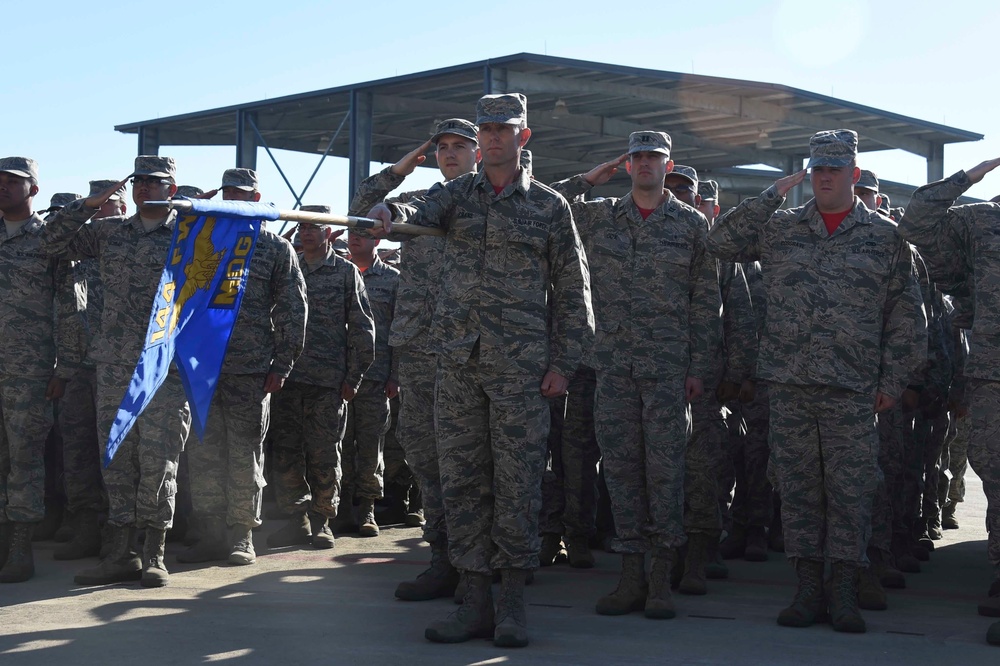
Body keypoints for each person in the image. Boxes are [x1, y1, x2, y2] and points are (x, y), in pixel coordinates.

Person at [368, 92, 594, 648]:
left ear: (524, 136)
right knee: (464, 483)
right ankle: (472, 601)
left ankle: (512, 603)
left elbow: (573, 290)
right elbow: (407, 220)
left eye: (503, 128)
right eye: (486, 128)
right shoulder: (454, 198)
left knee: (517, 484)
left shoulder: (547, 206)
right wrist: (385, 215)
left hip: (520, 370)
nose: (493, 137)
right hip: (458, 365)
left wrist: (564, 363)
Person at [705, 130, 925, 633]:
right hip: (790, 384)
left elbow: (906, 318)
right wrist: (770, 194)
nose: (825, 176)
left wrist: (891, 380)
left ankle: (844, 590)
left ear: (854, 173)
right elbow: (719, 241)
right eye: (817, 168)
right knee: (800, 491)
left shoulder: (885, 237)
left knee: (850, 492)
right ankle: (807, 590)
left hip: (852, 389)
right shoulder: (780, 230)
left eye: (835, 167)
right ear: (809, 173)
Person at [550, 132, 721, 618]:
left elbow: (705, 303)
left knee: (666, 475)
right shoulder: (600, 215)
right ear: (628, 165)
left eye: (654, 157)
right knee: (622, 473)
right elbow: (545, 202)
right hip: (613, 369)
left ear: (670, 164)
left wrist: (699, 369)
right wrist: (591, 176)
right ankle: (629, 577)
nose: (646, 164)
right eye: (637, 157)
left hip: (668, 372)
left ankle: (661, 577)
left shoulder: (691, 225)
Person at [42, 156, 193, 588]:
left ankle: (154, 554)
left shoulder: (189, 233)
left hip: (165, 366)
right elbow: (52, 243)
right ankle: (120, 553)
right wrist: (90, 204)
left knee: (159, 460)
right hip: (113, 366)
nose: (146, 188)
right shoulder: (109, 233)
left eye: (155, 182)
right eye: (139, 182)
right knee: (118, 462)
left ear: (172, 186)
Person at [348, 118, 480, 600]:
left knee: (473, 459)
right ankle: (444, 559)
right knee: (427, 458)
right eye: (441, 147)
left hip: (473, 352)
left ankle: (484, 564)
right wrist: (396, 176)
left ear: (479, 152)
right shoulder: (421, 201)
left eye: (459, 147)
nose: (449, 154)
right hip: (422, 351)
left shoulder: (491, 201)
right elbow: (365, 211)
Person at [894, 156, 1000, 647]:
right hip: (994, 378)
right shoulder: (982, 223)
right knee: (996, 480)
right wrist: (969, 177)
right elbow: (917, 222)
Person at [268, 204, 375, 550]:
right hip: (287, 377)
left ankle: (321, 521)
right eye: (302, 228)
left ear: (328, 232)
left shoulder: (344, 272)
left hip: (328, 381)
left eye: (314, 227)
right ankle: (296, 519)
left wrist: (355, 376)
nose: (307, 233)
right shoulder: (289, 266)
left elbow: (362, 326)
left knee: (324, 454)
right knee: (285, 454)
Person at [0, 157, 69, 583]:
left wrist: (63, 366)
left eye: (12, 182)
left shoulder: (49, 241)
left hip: (30, 369)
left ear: (34, 191)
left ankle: (20, 549)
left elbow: (69, 307)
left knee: (24, 459)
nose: (3, 187)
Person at [51, 180, 127, 561]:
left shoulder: (133, 247)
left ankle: (122, 531)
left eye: (109, 206)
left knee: (119, 453)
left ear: (123, 208)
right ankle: (84, 525)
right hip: (78, 366)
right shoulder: (76, 251)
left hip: (121, 366)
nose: (101, 214)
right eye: (95, 208)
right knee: (78, 449)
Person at [341, 229, 399, 538]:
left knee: (370, 446)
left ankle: (367, 509)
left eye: (363, 234)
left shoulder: (392, 279)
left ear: (376, 241)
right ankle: (341, 508)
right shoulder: (340, 272)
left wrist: (396, 375)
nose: (355, 239)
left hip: (376, 377)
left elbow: (400, 332)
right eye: (352, 233)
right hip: (339, 375)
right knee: (337, 445)